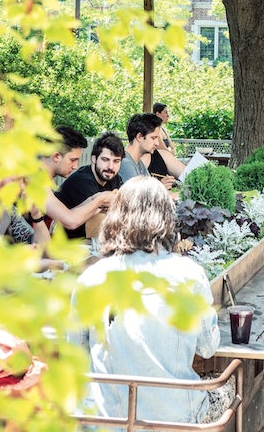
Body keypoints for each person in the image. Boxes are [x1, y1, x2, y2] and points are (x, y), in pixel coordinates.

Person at [72, 177, 221, 425]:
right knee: (226, 387)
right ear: (166, 219)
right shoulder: (189, 274)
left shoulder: (90, 278)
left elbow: (75, 353)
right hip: (173, 418)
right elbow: (207, 348)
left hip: (106, 419)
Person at [55, 131, 125, 239]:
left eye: (116, 161)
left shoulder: (114, 178)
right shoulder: (82, 181)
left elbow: (123, 208)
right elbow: (99, 221)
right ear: (94, 159)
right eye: (105, 160)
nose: (111, 166)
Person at [119, 113, 175, 189]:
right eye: (153, 138)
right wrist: (160, 188)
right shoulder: (126, 163)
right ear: (139, 137)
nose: (157, 143)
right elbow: (138, 196)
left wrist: (160, 185)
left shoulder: (138, 163)